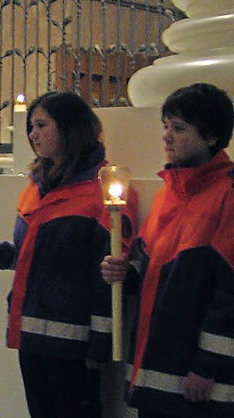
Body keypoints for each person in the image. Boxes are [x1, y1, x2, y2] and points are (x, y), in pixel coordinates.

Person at [0, 91, 136, 418]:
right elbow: (30, 258)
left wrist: (100, 344)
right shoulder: (35, 186)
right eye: (31, 126)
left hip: (73, 341)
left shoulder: (100, 191)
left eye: (42, 125)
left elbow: (106, 275)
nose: (32, 134)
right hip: (31, 333)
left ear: (71, 128)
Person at [101, 83, 234, 418]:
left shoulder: (228, 194)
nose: (167, 137)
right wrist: (124, 273)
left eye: (179, 128)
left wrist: (207, 366)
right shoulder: (167, 195)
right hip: (157, 367)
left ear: (212, 136)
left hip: (199, 380)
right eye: (166, 126)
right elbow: (149, 266)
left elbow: (229, 293)